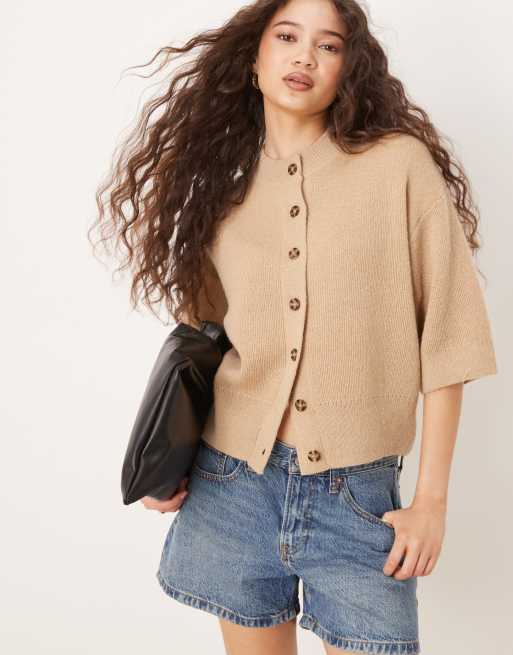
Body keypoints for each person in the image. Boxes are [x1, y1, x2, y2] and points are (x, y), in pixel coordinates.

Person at [89, 1, 498, 653]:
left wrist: (430, 502)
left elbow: (448, 338)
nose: (304, 55)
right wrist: (169, 461)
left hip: (358, 499)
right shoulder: (220, 187)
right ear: (253, 59)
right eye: (286, 36)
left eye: (328, 45)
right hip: (231, 485)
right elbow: (204, 341)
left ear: (348, 69)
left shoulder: (398, 167)